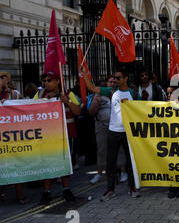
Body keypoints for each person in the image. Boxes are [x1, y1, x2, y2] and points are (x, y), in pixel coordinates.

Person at [80, 67, 140, 201]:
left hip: (128, 133)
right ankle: (110, 190)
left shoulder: (133, 93)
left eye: (118, 78)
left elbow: (141, 110)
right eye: (114, 78)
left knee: (130, 162)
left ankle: (132, 187)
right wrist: (84, 75)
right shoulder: (111, 91)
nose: (115, 80)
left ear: (125, 78)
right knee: (110, 163)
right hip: (113, 132)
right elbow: (92, 88)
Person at [34, 71, 80, 205]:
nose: (46, 83)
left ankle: (66, 189)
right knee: (47, 162)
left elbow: (77, 111)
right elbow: (27, 108)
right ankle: (46, 192)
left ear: (58, 81)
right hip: (47, 135)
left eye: (50, 80)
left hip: (66, 134)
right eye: (44, 81)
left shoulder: (67, 93)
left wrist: (67, 101)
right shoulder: (40, 94)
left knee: (66, 162)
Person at [88, 75, 127, 185]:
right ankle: (99, 172)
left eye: (115, 82)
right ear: (106, 84)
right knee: (102, 149)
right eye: (110, 82)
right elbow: (91, 112)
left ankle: (123, 172)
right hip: (102, 126)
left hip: (118, 126)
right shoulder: (99, 94)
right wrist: (96, 100)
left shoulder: (122, 94)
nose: (112, 84)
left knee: (120, 149)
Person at [0, 71, 28, 205]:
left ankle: (19, 195)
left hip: (14, 136)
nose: (0, 80)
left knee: (17, 165)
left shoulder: (15, 94)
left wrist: (10, 104)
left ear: (7, 80)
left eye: (2, 78)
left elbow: (26, 108)